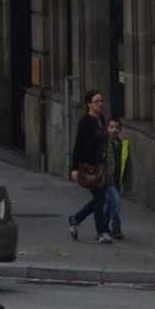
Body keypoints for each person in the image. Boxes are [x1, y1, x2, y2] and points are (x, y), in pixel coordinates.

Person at [67, 91, 109, 241]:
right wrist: (74, 168)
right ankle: (101, 232)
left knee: (100, 198)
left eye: (101, 101)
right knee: (99, 198)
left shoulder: (102, 119)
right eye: (96, 101)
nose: (100, 104)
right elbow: (78, 146)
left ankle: (76, 219)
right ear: (88, 104)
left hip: (101, 166)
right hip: (89, 167)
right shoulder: (85, 122)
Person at [99, 116, 131, 244]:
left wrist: (128, 182)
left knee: (110, 203)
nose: (114, 130)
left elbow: (128, 164)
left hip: (117, 179)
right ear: (107, 129)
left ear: (120, 129)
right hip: (107, 179)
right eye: (111, 127)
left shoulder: (124, 144)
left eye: (117, 127)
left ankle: (104, 226)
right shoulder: (104, 143)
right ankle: (116, 229)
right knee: (116, 202)